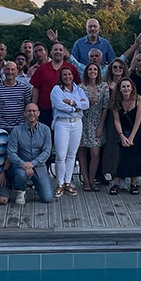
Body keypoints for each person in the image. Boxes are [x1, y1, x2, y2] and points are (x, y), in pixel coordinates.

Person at [51, 66, 89, 197]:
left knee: (72, 155)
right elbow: (59, 105)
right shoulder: (57, 89)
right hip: (62, 123)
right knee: (60, 155)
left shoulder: (79, 89)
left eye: (69, 74)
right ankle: (60, 183)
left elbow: (86, 104)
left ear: (73, 76)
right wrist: (76, 108)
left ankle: (67, 182)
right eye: (64, 75)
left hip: (77, 123)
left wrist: (72, 102)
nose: (67, 77)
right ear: (61, 77)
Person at [7, 103, 54, 205]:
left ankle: (36, 184)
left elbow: (47, 151)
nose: (31, 113)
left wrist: (33, 164)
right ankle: (20, 190)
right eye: (29, 111)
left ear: (38, 113)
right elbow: (11, 153)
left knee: (48, 198)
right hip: (21, 167)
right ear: (24, 113)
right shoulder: (16, 131)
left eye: (34, 111)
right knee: (21, 174)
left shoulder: (46, 130)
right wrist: (23, 164)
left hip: (39, 167)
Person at [30, 42, 81, 128]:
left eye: (60, 50)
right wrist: (34, 107)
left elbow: (78, 88)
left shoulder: (71, 68)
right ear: (51, 52)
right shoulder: (42, 69)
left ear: (64, 53)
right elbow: (36, 89)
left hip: (65, 112)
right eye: (55, 50)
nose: (58, 52)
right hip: (46, 111)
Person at [109, 78, 141, 195]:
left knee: (134, 156)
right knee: (122, 157)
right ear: (119, 89)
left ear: (132, 87)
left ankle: (133, 184)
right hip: (122, 131)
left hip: (136, 131)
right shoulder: (116, 101)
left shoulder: (139, 99)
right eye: (123, 86)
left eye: (128, 86)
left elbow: (138, 120)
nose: (126, 89)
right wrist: (122, 135)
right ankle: (116, 183)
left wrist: (131, 137)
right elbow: (116, 120)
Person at [77, 62, 109, 192]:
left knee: (95, 153)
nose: (92, 71)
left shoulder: (104, 86)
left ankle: (92, 179)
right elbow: (77, 104)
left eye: (95, 69)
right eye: (90, 69)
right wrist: (86, 103)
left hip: (97, 122)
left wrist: (101, 125)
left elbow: (106, 107)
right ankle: (85, 180)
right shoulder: (80, 87)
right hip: (82, 121)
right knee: (82, 152)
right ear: (86, 72)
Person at [102, 59, 130, 183]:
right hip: (110, 117)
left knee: (123, 145)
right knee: (111, 144)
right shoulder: (106, 84)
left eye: (120, 67)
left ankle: (123, 174)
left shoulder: (127, 83)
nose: (118, 69)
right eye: (115, 67)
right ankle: (111, 172)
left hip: (125, 116)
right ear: (111, 69)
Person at [0, 61, 32, 133]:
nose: (10, 72)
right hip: (1, 127)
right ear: (4, 71)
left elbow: (27, 106)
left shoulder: (24, 89)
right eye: (8, 69)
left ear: (16, 71)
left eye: (13, 69)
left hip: (20, 127)